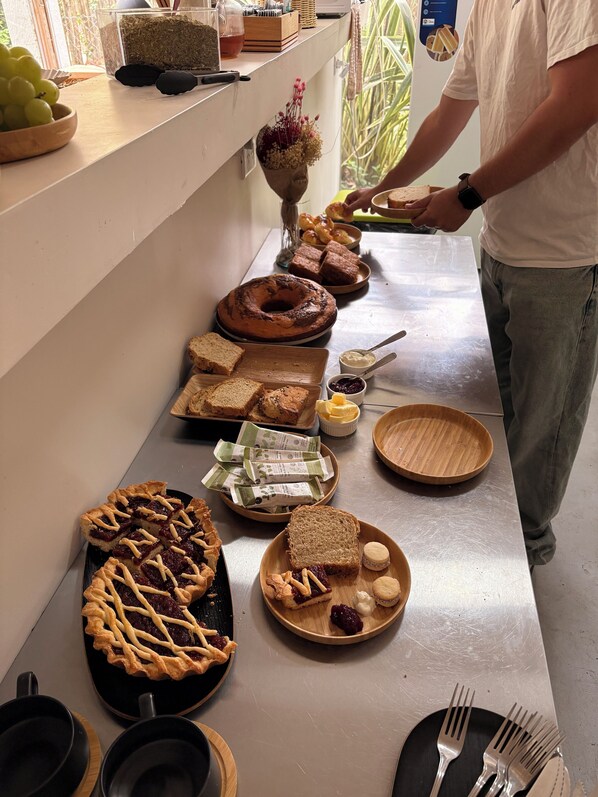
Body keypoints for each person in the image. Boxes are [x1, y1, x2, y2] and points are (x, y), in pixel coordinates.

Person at [346, 0, 598, 567]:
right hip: (501, 242)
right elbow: (450, 112)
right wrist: (382, 191)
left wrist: (466, 195)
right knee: (497, 408)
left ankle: (525, 556)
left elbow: (577, 103)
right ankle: (492, 540)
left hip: (565, 257)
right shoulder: (489, 4)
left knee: (543, 427)